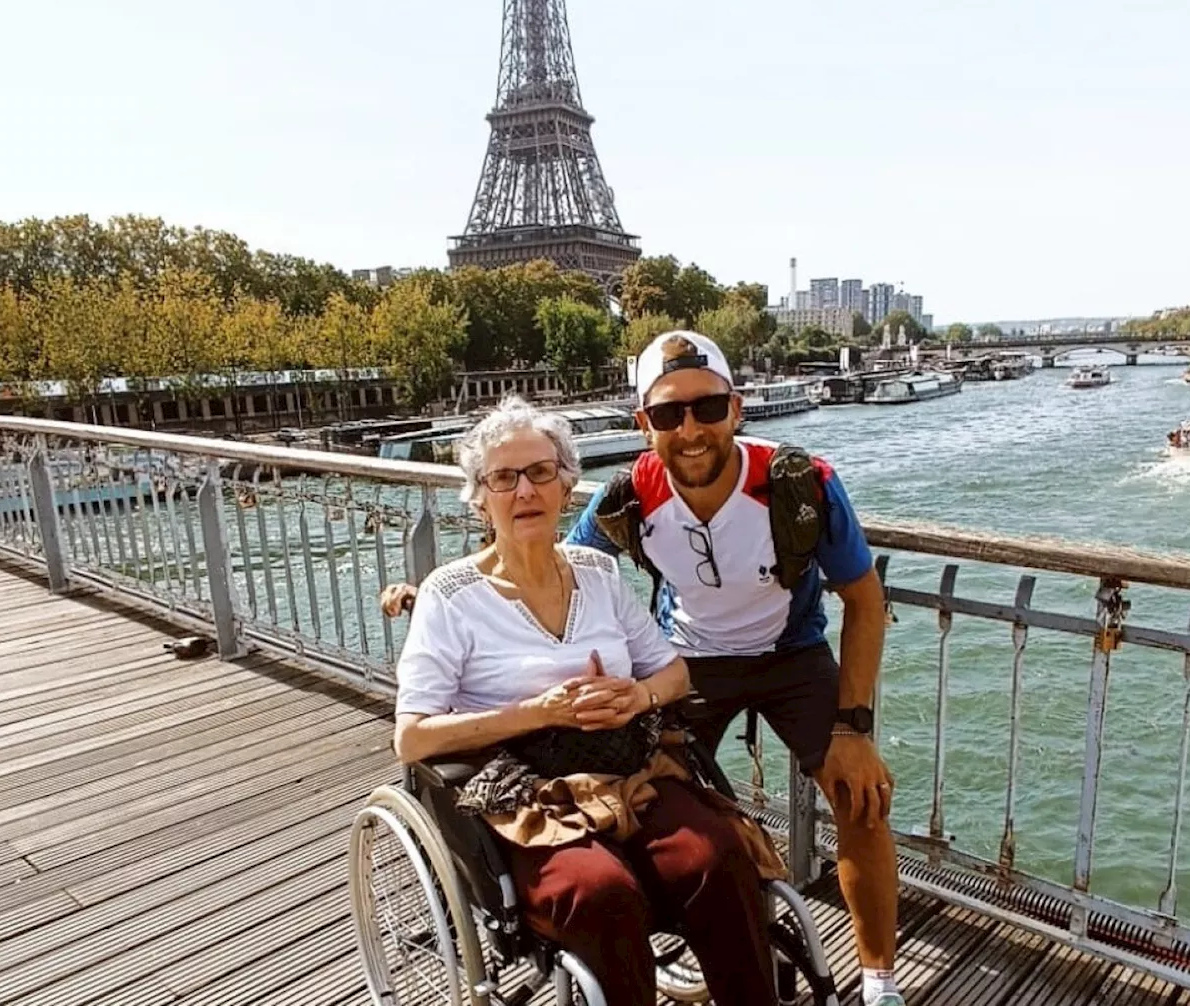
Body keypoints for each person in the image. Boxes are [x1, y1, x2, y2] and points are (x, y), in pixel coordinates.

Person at [384, 331, 906, 1006]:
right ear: (644, 424)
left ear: (736, 408)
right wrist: (429, 589)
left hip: (787, 657)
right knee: (647, 870)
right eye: (667, 414)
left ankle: (878, 980)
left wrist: (854, 729)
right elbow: (515, 560)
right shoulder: (629, 496)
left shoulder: (801, 483)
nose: (689, 428)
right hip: (692, 663)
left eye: (707, 407)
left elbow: (865, 601)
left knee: (843, 804)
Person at [392, 396, 781, 1006]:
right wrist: (538, 712)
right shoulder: (451, 595)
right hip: (522, 788)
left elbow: (674, 675)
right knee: (602, 894)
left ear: (567, 483)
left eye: (541, 472)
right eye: (504, 477)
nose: (525, 491)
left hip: (625, 761)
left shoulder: (597, 571)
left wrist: (635, 696)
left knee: (719, 858)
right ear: (481, 495)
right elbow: (412, 737)